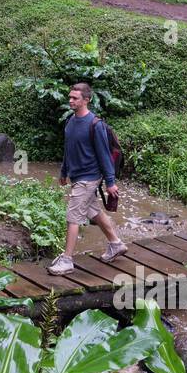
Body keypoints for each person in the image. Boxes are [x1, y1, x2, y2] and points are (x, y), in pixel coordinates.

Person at [48, 82, 127, 275]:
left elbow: (104, 155)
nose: (70, 101)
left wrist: (110, 183)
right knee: (93, 212)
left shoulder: (95, 125)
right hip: (76, 176)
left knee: (72, 216)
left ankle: (67, 260)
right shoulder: (70, 122)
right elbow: (69, 149)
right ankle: (116, 244)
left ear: (86, 100)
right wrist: (63, 171)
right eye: (70, 97)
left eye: (75, 98)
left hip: (89, 178)